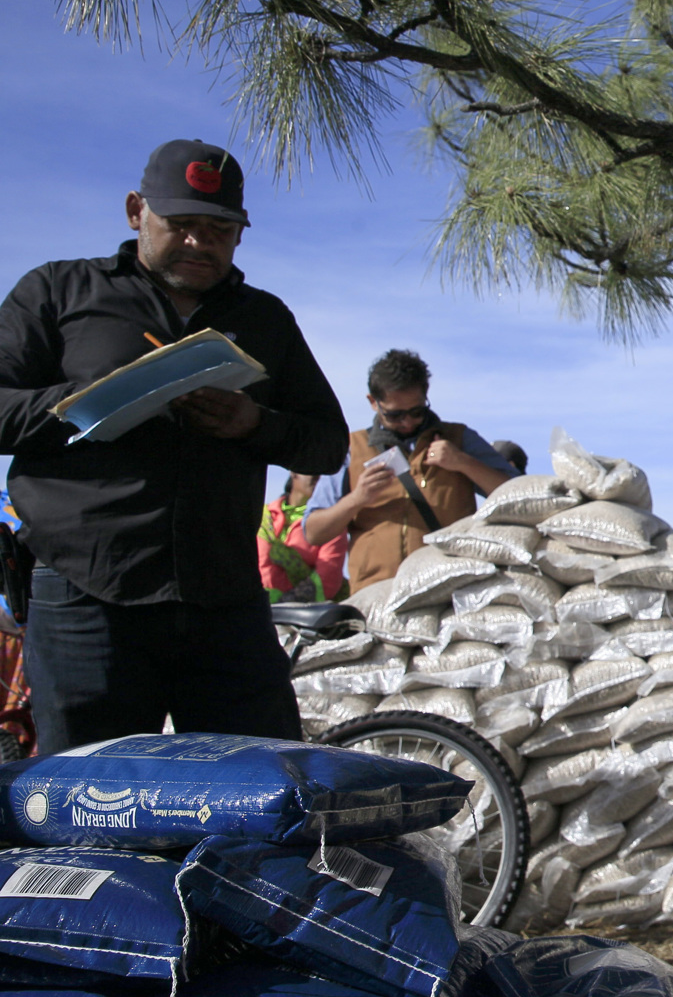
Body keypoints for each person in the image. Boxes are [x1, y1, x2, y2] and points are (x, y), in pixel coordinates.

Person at [0, 139, 348, 752]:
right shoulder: (59, 292)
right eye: (181, 224)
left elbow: (326, 445)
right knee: (91, 801)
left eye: (218, 229)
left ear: (240, 234)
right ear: (137, 211)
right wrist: (92, 402)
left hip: (223, 600)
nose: (198, 242)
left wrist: (253, 423)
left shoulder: (265, 319)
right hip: (88, 597)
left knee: (262, 788)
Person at [302, 350, 519, 588]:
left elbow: (516, 495)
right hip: (374, 594)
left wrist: (463, 462)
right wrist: (357, 498)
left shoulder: (460, 439)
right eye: (395, 415)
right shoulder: (352, 448)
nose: (407, 422)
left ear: (425, 397)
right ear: (373, 402)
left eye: (416, 412)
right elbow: (313, 532)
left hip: (448, 589)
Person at [259, 473, 348, 604]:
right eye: (314, 471)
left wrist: (287, 603)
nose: (320, 478)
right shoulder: (263, 516)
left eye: (324, 475)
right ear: (294, 472)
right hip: (259, 604)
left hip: (306, 612)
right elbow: (259, 563)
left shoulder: (330, 522)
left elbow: (328, 577)